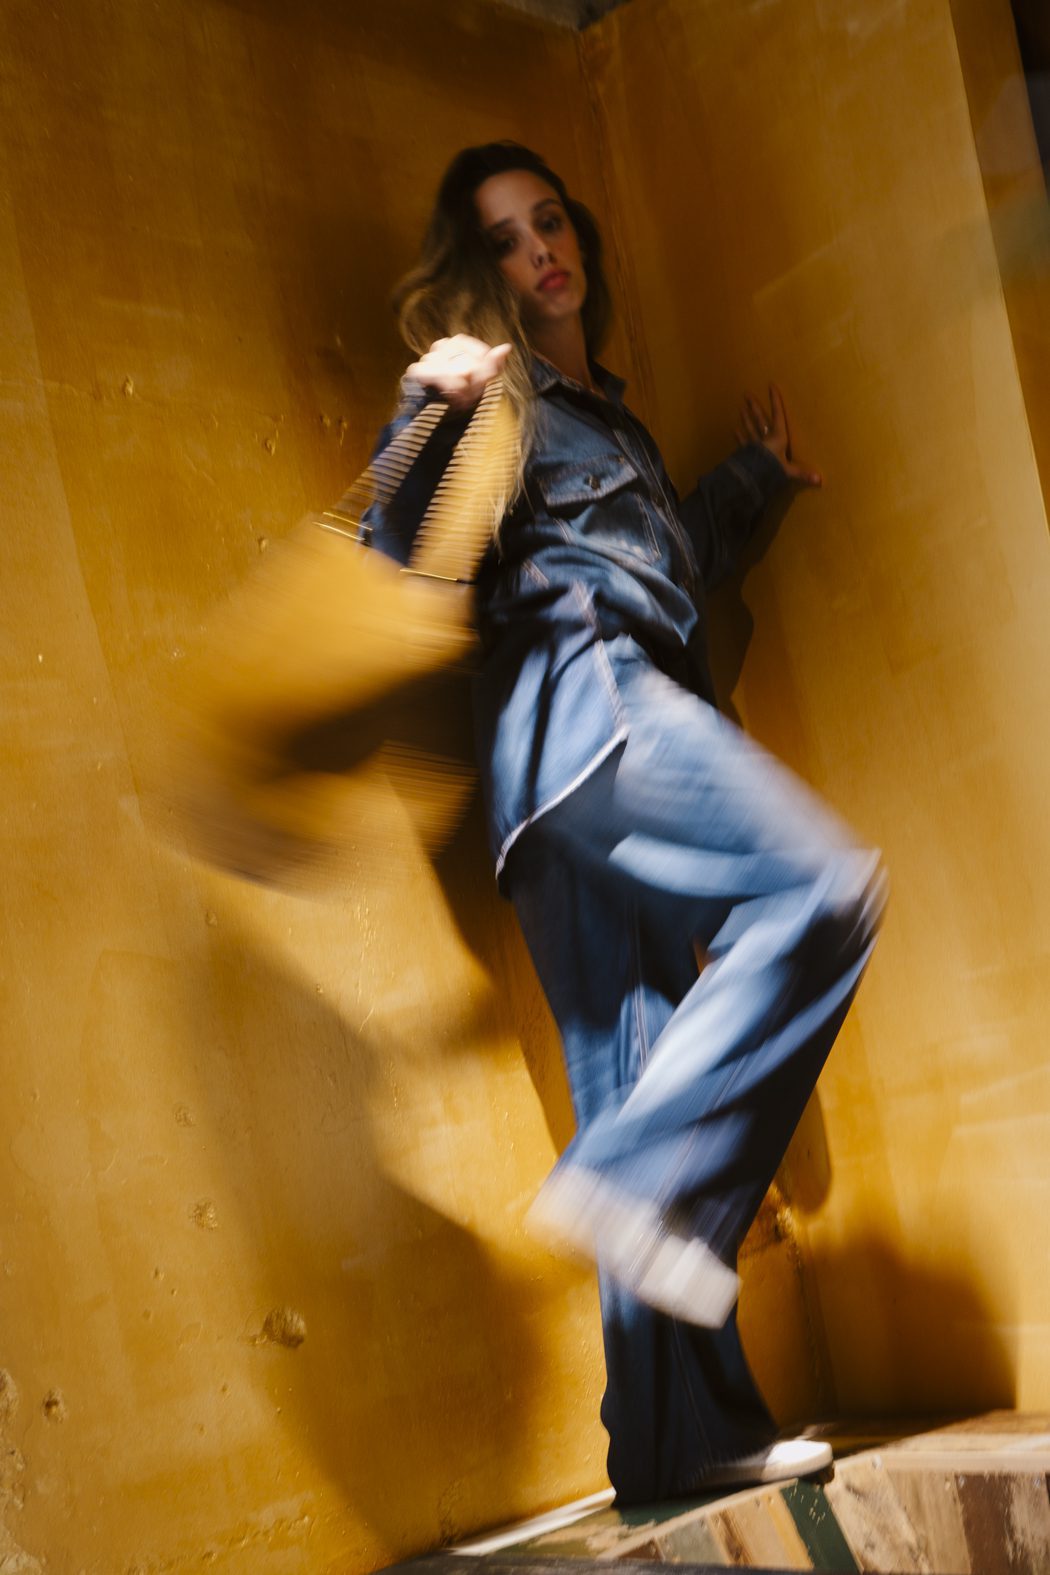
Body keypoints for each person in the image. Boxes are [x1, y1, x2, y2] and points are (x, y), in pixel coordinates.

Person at [364, 141, 886, 1505]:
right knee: (823, 889)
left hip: (554, 788)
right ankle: (643, 1176)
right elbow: (393, 549)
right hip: (587, 707)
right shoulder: (496, 396)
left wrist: (754, 478)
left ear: (580, 239)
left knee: (637, 1074)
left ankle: (675, 1443)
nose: (539, 248)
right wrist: (425, 408)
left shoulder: (619, 425)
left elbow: (675, 563)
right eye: (503, 237)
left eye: (549, 221)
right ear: (479, 272)